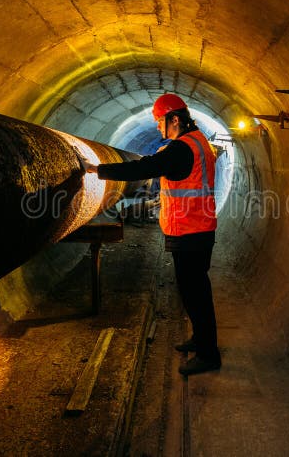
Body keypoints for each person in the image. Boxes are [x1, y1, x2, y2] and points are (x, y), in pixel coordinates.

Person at [81, 93, 221, 376]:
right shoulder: (199, 143)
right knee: (193, 291)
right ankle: (200, 339)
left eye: (160, 122)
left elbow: (142, 168)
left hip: (190, 230)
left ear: (175, 120)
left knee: (196, 293)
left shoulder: (182, 148)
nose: (158, 128)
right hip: (196, 227)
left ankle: (208, 354)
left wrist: (98, 170)